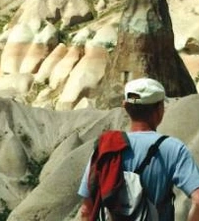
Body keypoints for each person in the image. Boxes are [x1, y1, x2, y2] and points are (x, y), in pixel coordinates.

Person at [78, 77, 199, 221]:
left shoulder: (106, 148)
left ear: (125, 106)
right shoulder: (173, 149)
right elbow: (198, 199)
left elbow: (86, 210)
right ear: (159, 110)